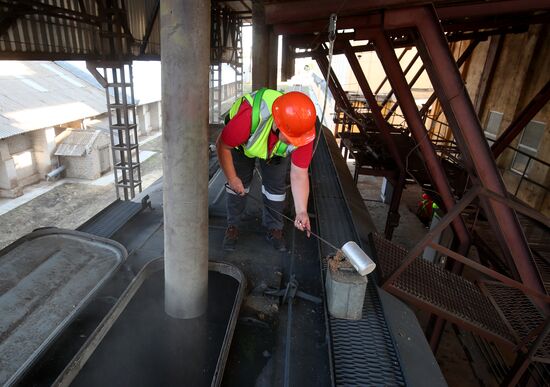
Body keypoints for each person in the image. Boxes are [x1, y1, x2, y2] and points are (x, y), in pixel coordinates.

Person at [216, 88, 317, 252]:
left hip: (274, 152)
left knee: (276, 190)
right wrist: (232, 178)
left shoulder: (302, 132)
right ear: (277, 124)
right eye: (291, 138)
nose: (295, 143)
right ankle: (232, 225)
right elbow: (223, 145)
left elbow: (299, 174)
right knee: (237, 186)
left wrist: (302, 211)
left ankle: (274, 228)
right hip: (242, 146)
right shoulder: (250, 116)